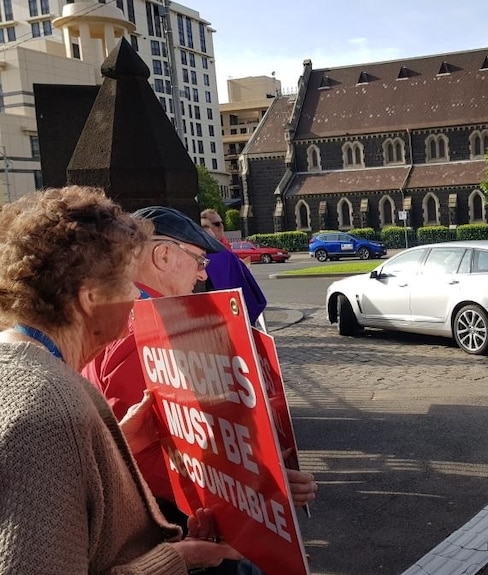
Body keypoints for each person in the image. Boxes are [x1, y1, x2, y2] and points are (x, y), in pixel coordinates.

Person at [0, 186, 240, 573]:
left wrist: (120, 444)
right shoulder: (46, 406)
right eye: (127, 282)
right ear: (90, 298)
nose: (135, 297)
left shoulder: (27, 369)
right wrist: (175, 558)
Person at [82, 205, 316, 575]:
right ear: (163, 255)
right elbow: (142, 455)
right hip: (176, 525)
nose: (205, 272)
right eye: (199, 260)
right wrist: (254, 489)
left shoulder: (125, 316)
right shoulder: (145, 331)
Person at [200, 209, 268, 324]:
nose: (221, 226)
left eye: (222, 223)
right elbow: (253, 301)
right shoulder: (222, 257)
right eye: (216, 224)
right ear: (205, 229)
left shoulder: (226, 251)